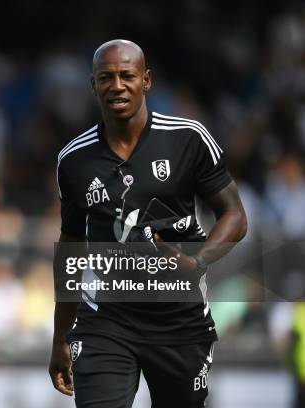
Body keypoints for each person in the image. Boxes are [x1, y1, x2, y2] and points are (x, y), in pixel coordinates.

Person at [49, 39, 248, 407]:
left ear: (147, 80)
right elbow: (72, 247)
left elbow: (235, 215)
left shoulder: (189, 139)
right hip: (104, 320)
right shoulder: (73, 160)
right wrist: (61, 335)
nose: (117, 85)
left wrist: (197, 261)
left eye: (127, 75)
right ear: (93, 85)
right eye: (106, 77)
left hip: (179, 319)